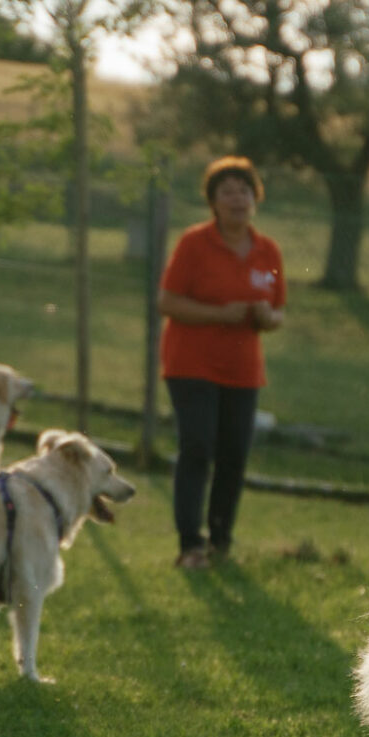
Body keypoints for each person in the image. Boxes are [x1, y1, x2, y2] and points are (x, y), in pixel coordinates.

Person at [158, 156, 286, 570]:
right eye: (227, 191)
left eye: (244, 191)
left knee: (234, 455)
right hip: (190, 365)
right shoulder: (195, 244)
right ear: (213, 201)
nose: (237, 198)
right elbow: (167, 301)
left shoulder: (268, 250)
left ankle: (220, 541)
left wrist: (268, 318)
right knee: (197, 447)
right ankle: (189, 545)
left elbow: (279, 310)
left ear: (256, 199)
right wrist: (220, 313)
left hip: (243, 370)